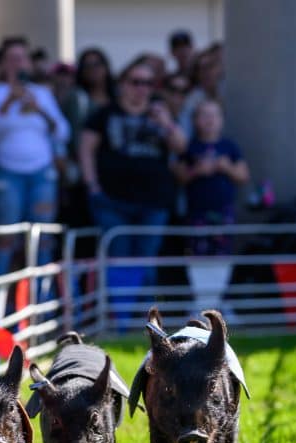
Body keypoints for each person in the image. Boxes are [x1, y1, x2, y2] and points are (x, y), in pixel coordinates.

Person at [80, 59, 186, 295]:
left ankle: (146, 319)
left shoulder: (161, 113)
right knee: (119, 258)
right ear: (123, 84)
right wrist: (92, 186)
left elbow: (181, 147)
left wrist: (166, 123)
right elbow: (86, 149)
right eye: (136, 82)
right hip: (111, 200)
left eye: (149, 83)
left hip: (154, 202)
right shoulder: (105, 114)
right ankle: (121, 321)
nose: (142, 88)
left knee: (146, 259)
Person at [0, 37, 69, 278]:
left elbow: (62, 131)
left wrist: (40, 109)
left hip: (42, 174)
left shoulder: (42, 94)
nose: (18, 64)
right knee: (3, 243)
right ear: (3, 63)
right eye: (12, 58)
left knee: (42, 242)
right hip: (6, 174)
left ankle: (42, 305)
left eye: (22, 58)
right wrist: (9, 102)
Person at [175, 99, 249, 256]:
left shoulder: (229, 146)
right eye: (204, 115)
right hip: (196, 212)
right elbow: (178, 178)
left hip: (224, 211)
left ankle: (220, 281)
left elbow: (243, 176)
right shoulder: (189, 146)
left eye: (215, 115)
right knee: (197, 254)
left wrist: (226, 167)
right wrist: (197, 170)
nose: (210, 119)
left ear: (222, 119)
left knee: (222, 254)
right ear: (194, 120)